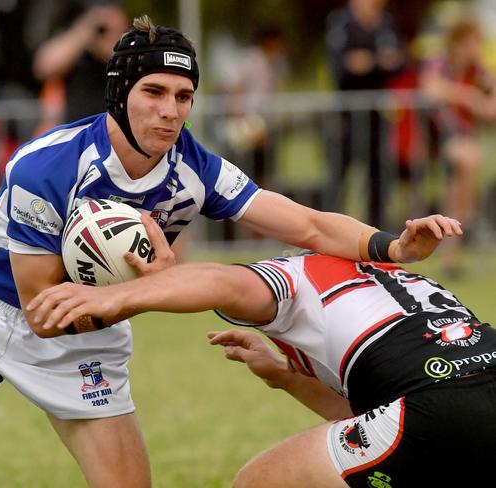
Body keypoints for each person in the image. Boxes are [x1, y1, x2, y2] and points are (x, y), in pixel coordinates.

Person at [0, 15, 461, 486]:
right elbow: (39, 310)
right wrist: (150, 287)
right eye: (155, 92)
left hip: (85, 339)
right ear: (120, 91)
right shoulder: (48, 166)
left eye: (184, 96)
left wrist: (390, 244)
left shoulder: (196, 168)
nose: (171, 112)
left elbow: (304, 223)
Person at [32, 251, 496, 486]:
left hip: (436, 405)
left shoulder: (298, 271)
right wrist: (283, 376)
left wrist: (111, 297)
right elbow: (373, 415)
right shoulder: (399, 279)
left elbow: (219, 282)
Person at [419, 14, 496, 276]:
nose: (477, 47)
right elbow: (430, 88)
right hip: (436, 139)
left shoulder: (478, 71)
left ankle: (451, 254)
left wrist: (482, 100)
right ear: (460, 43)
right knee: (468, 161)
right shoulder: (440, 64)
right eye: (474, 42)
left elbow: (490, 104)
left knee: (460, 185)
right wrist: (467, 96)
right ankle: (468, 218)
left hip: (464, 139)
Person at [325, 0, 405, 229]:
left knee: (379, 177)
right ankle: (329, 231)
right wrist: (378, 61)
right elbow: (341, 67)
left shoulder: (386, 24)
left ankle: (375, 232)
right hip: (345, 116)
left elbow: (398, 63)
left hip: (377, 116)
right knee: (338, 176)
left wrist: (367, 61)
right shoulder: (341, 23)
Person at [33, 2, 129, 123]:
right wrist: (82, 34)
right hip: (78, 128)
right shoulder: (77, 46)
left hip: (115, 126)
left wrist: (109, 45)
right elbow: (44, 67)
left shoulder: (129, 44)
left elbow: (129, 69)